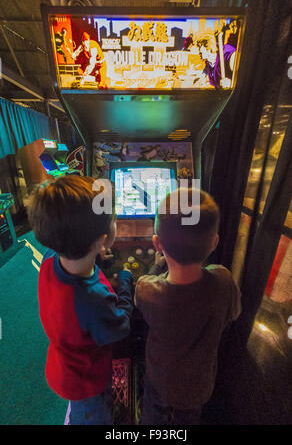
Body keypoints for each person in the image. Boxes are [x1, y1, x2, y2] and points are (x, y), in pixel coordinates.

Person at [27, 175, 133, 425]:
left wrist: (95, 254)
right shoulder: (92, 297)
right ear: (103, 238)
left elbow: (70, 244)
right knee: (94, 416)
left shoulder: (49, 260)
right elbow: (121, 327)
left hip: (62, 364)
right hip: (86, 382)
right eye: (114, 219)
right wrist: (126, 284)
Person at [134, 188, 241, 425]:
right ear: (214, 242)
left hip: (159, 381)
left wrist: (155, 268)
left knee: (153, 418)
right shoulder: (224, 281)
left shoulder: (146, 289)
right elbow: (233, 313)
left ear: (157, 244)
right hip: (199, 386)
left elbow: (142, 297)